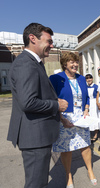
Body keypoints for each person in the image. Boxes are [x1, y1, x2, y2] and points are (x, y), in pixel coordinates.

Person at [7, 23, 68, 188]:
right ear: (32, 38)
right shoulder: (26, 64)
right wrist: (56, 105)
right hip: (34, 138)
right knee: (36, 183)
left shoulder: (34, 63)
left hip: (37, 136)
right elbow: (28, 102)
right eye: (48, 41)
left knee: (39, 182)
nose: (52, 45)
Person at [49, 52, 97, 187]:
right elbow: (52, 99)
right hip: (64, 117)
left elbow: (87, 97)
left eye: (76, 62)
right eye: (71, 62)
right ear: (65, 64)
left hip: (81, 117)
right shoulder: (55, 78)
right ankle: (68, 175)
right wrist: (62, 119)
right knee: (67, 148)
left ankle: (90, 171)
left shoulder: (81, 79)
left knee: (86, 146)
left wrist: (86, 109)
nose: (75, 64)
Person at [85, 73, 99, 142]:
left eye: (90, 78)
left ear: (92, 79)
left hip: (94, 103)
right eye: (87, 78)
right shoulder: (85, 87)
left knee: (95, 118)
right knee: (88, 118)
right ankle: (90, 134)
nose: (89, 79)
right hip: (88, 104)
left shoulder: (96, 87)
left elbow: (98, 96)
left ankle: (96, 134)